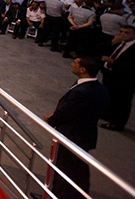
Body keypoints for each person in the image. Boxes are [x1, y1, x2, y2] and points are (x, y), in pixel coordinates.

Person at [43, 57, 109, 199]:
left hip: (72, 136)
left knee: (65, 170)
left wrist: (52, 119)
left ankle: (58, 196)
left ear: (83, 69)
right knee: (79, 171)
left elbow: (67, 111)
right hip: (86, 135)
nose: (72, 64)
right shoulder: (100, 88)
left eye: (75, 63)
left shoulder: (82, 92)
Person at [100, 25, 135, 132]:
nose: (123, 34)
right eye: (121, 31)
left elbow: (131, 66)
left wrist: (114, 63)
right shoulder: (119, 42)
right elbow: (100, 49)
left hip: (125, 79)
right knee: (110, 96)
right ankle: (108, 115)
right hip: (110, 74)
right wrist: (112, 42)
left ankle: (117, 124)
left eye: (126, 33)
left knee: (121, 101)